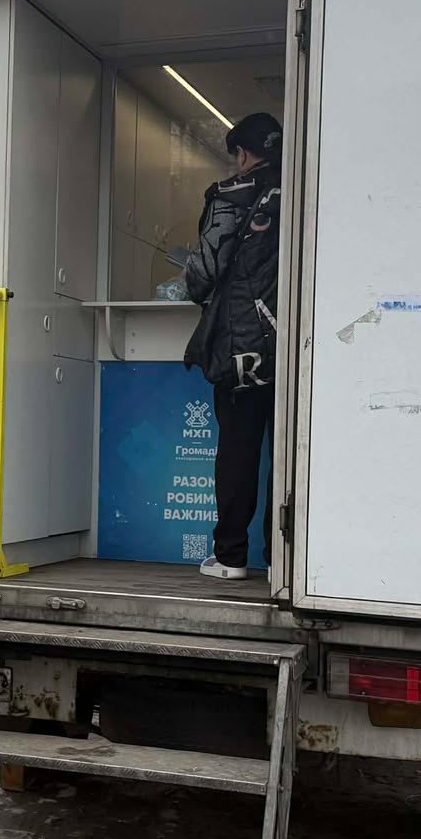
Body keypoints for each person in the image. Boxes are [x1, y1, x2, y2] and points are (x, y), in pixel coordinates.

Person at [184, 111, 285, 581]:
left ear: (243, 154)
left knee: (239, 451)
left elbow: (205, 269)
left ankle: (230, 557)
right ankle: (285, 558)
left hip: (243, 346)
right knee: (289, 454)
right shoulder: (304, 192)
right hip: (291, 346)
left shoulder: (232, 196)